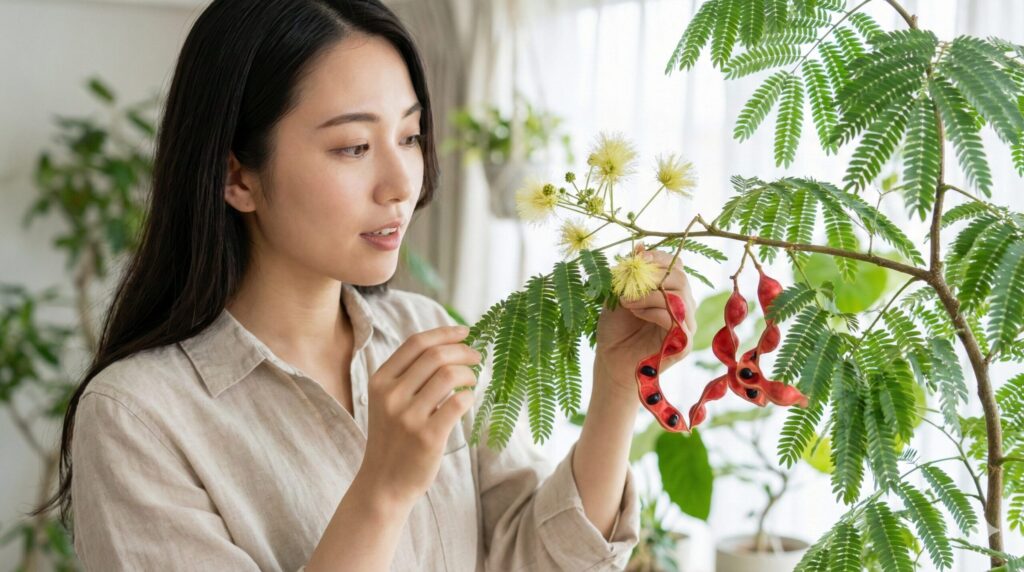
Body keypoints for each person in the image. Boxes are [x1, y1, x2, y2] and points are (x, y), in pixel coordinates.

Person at [32, 0, 697, 570]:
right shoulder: (137, 417)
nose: (401, 184)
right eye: (353, 146)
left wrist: (618, 385)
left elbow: (537, 560)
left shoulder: (425, 331)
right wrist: (383, 490)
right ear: (237, 177)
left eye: (409, 136)